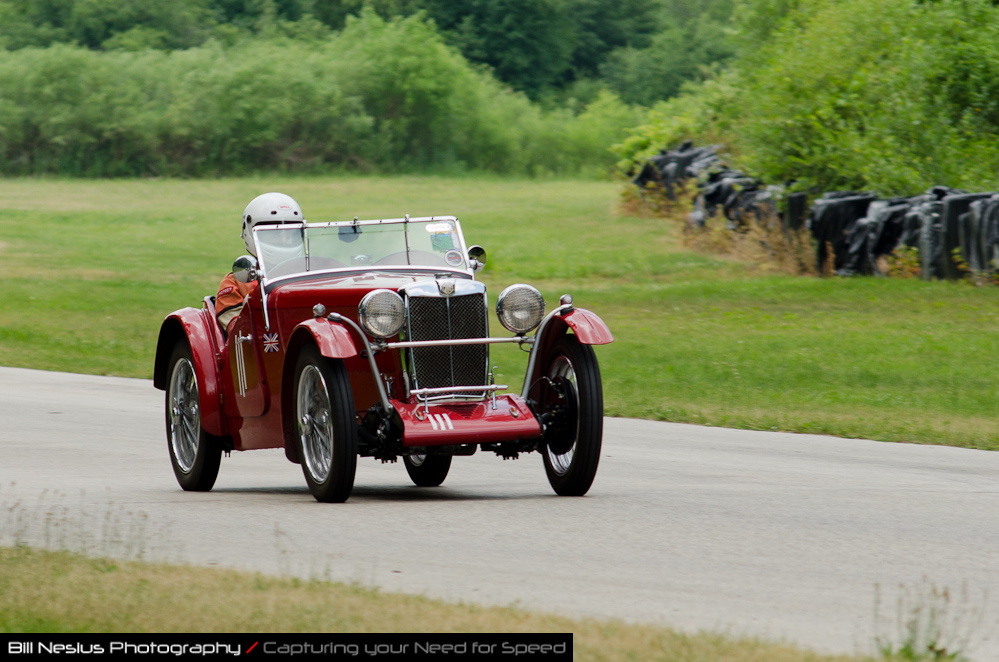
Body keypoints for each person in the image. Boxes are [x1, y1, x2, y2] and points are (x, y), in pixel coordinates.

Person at [216, 192, 304, 333]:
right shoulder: (237, 281)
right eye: (273, 233)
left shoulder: (307, 272)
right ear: (250, 233)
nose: (284, 239)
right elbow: (238, 332)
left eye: (291, 232)